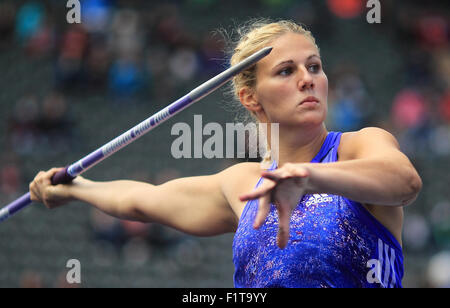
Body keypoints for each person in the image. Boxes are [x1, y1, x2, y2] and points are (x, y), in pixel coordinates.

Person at [29, 19, 422, 288]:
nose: (308, 79)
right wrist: (76, 188)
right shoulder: (241, 183)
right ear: (250, 96)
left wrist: (307, 176)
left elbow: (404, 182)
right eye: (286, 71)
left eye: (314, 66)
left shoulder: (359, 146)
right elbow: (141, 201)